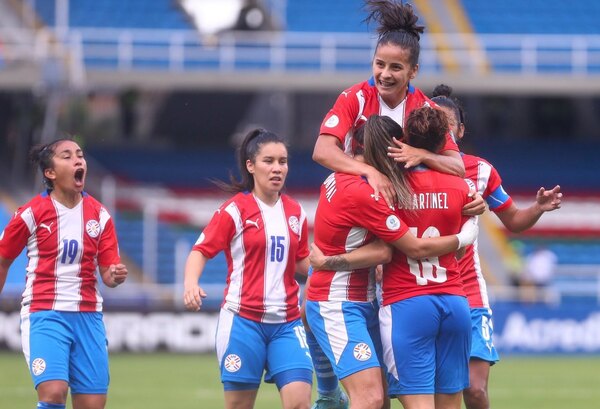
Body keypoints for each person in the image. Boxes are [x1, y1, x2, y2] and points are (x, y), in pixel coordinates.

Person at [306, 113, 479, 409]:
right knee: (371, 398)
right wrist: (467, 233)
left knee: (382, 398)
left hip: (373, 300)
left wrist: (326, 261)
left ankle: (328, 393)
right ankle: (328, 394)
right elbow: (398, 250)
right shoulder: (365, 192)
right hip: (340, 300)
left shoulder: (339, 179)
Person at [431, 84, 562, 409]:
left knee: (474, 391)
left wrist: (538, 208)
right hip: (422, 293)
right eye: (433, 121)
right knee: (434, 395)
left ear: (460, 130)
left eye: (448, 123)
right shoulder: (406, 166)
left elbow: (514, 220)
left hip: (469, 293)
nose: (442, 129)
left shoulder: (480, 170)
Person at [182, 128, 313, 409]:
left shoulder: (295, 212)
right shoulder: (235, 210)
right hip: (243, 322)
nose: (277, 168)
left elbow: (302, 260)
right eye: (269, 161)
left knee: (300, 403)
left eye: (283, 161)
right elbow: (200, 250)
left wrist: (338, 266)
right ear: (250, 166)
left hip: (287, 324)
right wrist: (191, 283)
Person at [0, 138, 128, 409]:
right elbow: (2, 260)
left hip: (88, 316)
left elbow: (107, 273)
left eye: (80, 155)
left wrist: (115, 275)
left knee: (92, 403)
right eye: (67, 156)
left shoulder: (100, 215)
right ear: (50, 173)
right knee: (54, 392)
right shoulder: (30, 214)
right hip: (45, 312)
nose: (78, 160)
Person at [313, 0, 465, 207]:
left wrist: (421, 154)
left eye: (395, 67)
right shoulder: (354, 98)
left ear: (413, 71)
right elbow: (322, 151)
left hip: (404, 206)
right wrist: (370, 172)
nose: (384, 74)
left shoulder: (426, 109)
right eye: (379, 64)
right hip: (355, 199)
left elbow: (457, 166)